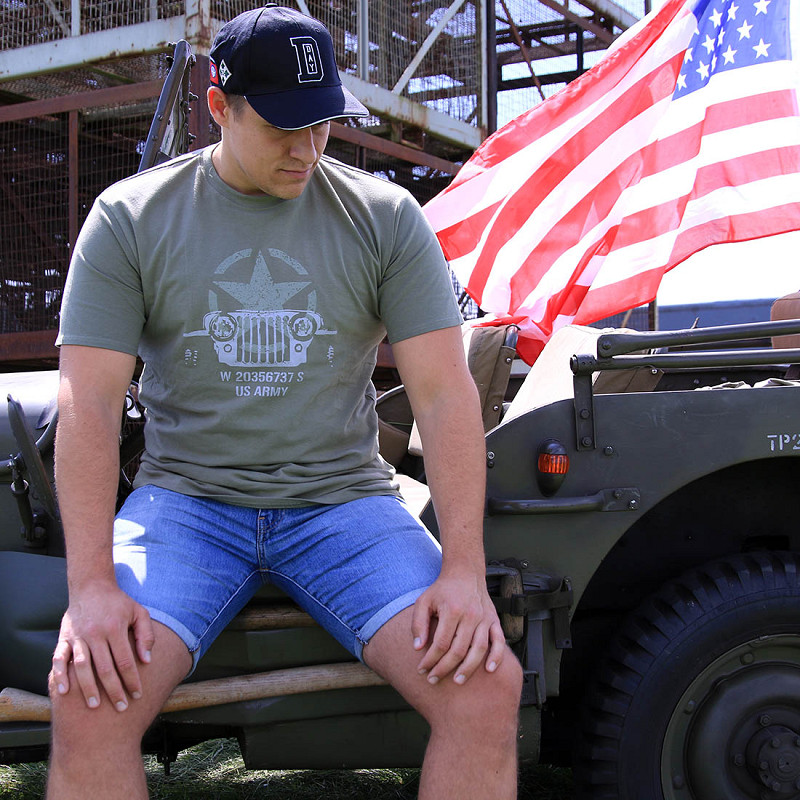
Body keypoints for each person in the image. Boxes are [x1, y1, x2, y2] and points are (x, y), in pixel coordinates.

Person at [47, 5, 522, 798]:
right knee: (89, 697)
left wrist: (464, 573)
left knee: (484, 687)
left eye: (323, 123)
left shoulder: (384, 218)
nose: (307, 149)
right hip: (188, 504)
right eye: (282, 127)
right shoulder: (131, 218)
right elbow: (87, 404)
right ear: (219, 106)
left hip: (344, 503)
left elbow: (444, 396)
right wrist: (91, 586)